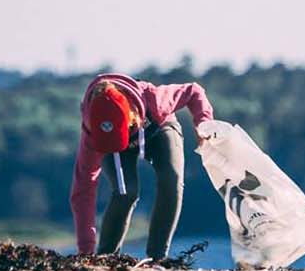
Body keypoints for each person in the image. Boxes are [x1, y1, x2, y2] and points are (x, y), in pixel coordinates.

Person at [69, 72, 215, 259]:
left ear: (134, 115)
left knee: (171, 180)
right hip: (113, 144)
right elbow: (83, 190)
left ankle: (157, 256)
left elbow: (194, 91)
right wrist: (85, 249)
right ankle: (105, 257)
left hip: (159, 127)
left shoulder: (154, 100)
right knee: (125, 192)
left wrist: (204, 125)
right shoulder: (92, 131)